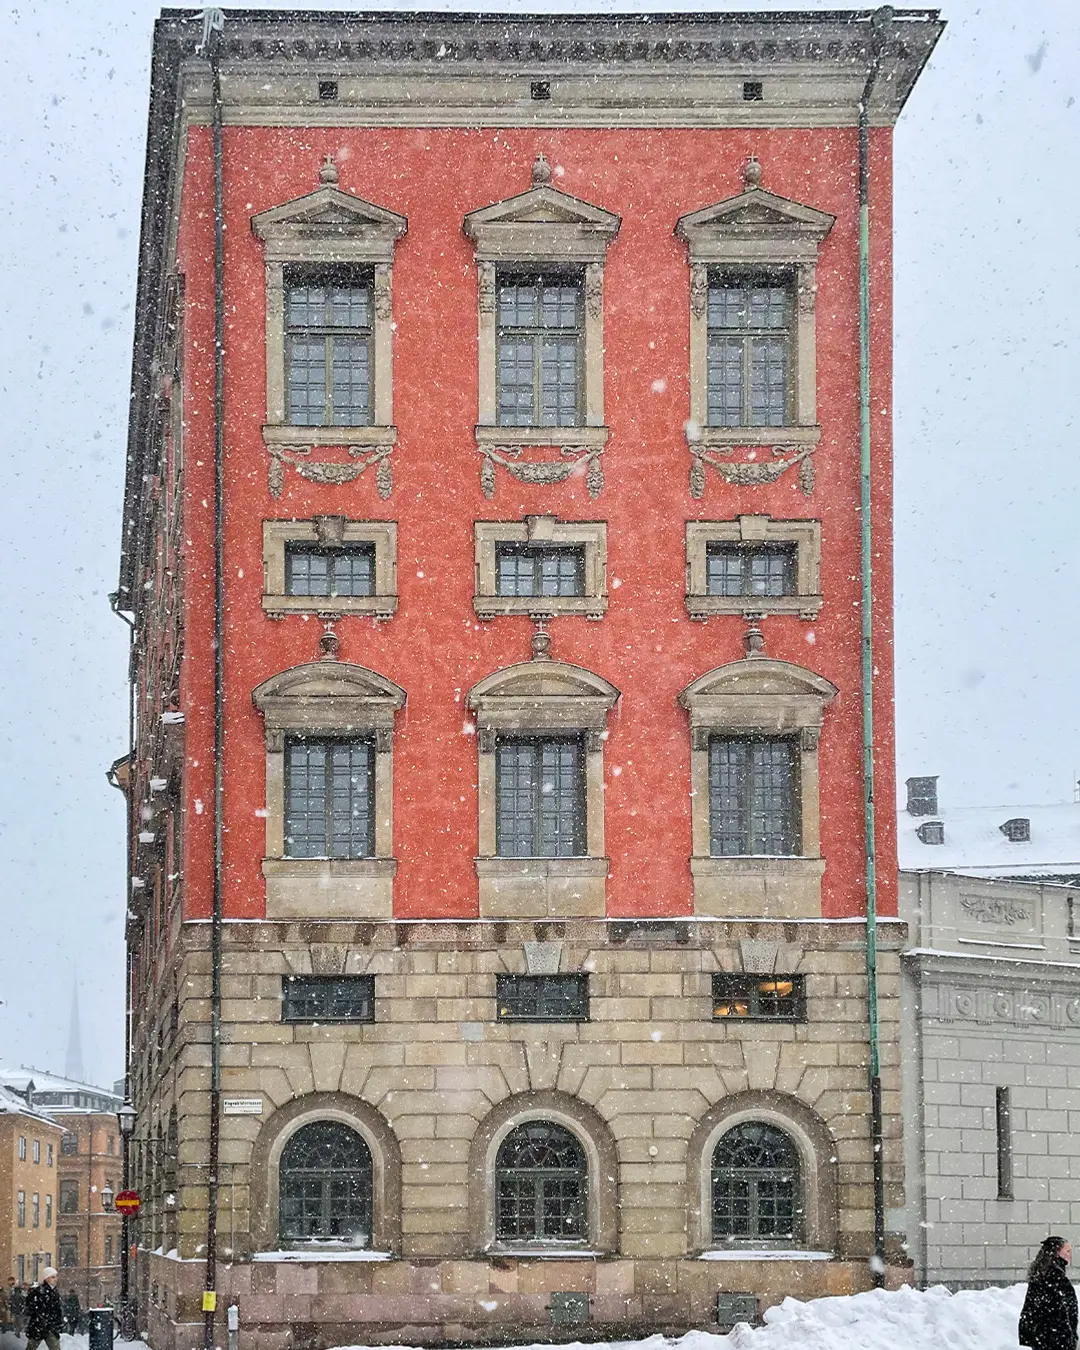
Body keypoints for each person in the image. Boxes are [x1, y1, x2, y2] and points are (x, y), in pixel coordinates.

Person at [1020, 1236, 1078, 1350]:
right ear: (1057, 1252)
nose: (1070, 1255)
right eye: (1067, 1251)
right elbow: (1064, 1316)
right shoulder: (1057, 1280)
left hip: (1042, 1340)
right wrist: (1070, 1341)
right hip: (1056, 1342)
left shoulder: (1039, 1277)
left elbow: (1029, 1314)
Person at [24, 1269, 64, 1350]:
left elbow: (56, 1310)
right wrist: (40, 1318)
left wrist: (57, 1322)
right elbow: (30, 1307)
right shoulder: (39, 1291)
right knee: (32, 1347)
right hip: (39, 1326)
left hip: (48, 1326)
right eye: (53, 1277)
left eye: (56, 1276)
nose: (56, 1279)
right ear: (46, 1279)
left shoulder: (54, 1291)